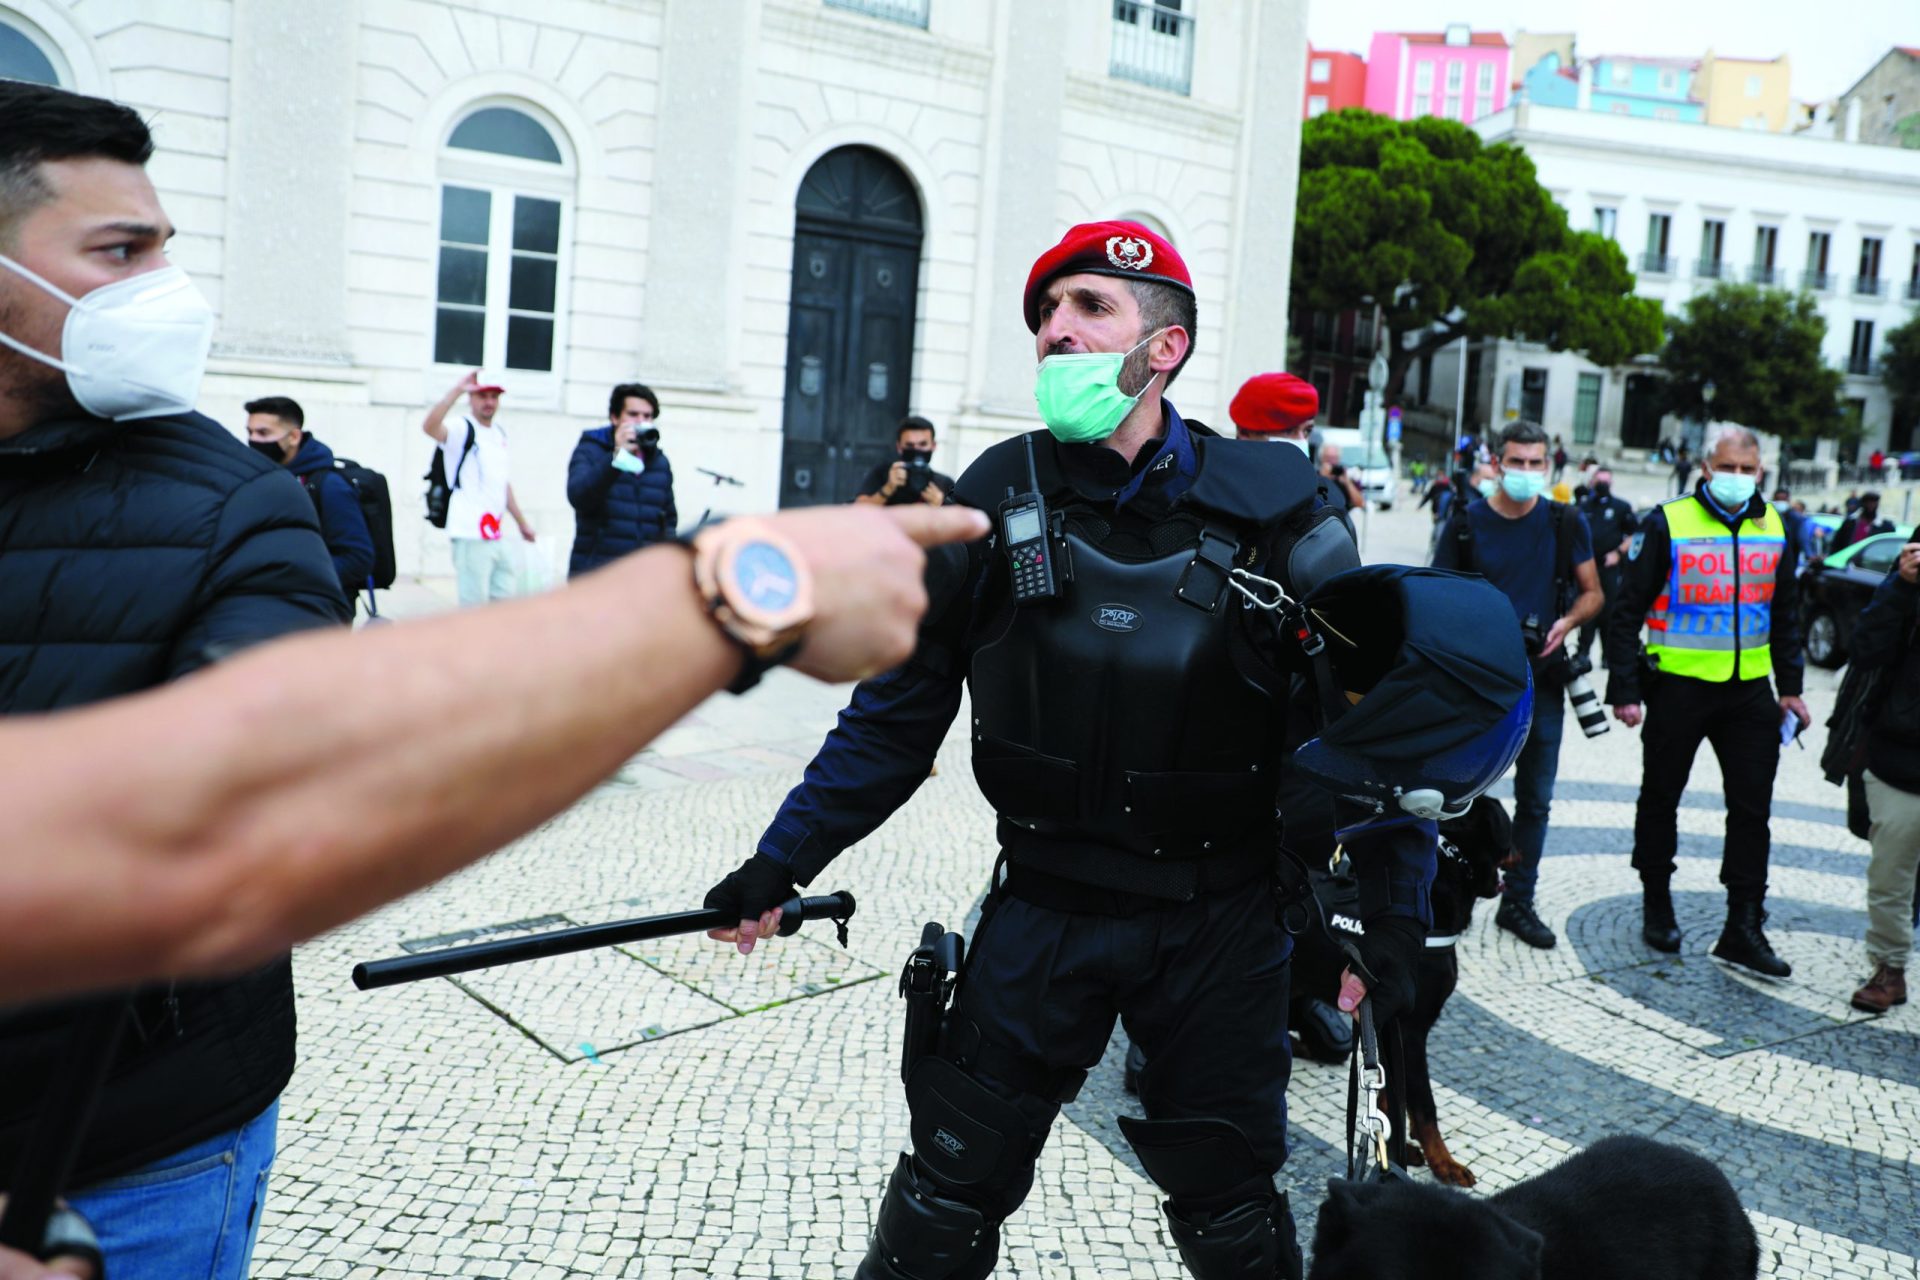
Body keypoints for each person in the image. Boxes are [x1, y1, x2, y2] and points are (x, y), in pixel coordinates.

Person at [699, 221, 1526, 1280]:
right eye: (1046, 313)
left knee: (1231, 1210)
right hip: (1043, 909)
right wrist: (781, 862)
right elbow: (895, 718)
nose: (1056, 330)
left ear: (1164, 345)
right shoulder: (988, 499)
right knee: (947, 1190)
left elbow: (1369, 740)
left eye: (1089, 307)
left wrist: (1387, 925)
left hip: (1222, 923)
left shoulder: (1283, 511)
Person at [0, 80, 351, 1280]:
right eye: (120, 250)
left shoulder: (239, 508)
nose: (167, 290)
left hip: (133, 1156)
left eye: (164, 248)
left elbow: (271, 799)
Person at [1605, 424, 1807, 975]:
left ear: (1761, 472)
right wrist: (1624, 690)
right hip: (1678, 687)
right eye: (1728, 468)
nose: (1738, 479)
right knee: (1661, 797)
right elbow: (1626, 612)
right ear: (1705, 466)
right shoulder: (1668, 521)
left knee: (1752, 811)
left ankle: (1743, 925)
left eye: (1748, 470)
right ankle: (1657, 901)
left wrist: (1791, 688)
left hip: (1749, 693)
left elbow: (1786, 614)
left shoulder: (1776, 526)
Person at [1433, 421, 1603, 950]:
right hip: (1477, 685)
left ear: (1548, 465)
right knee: (1454, 795)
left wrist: (1567, 622)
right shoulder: (1464, 523)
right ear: (1497, 462)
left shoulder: (1565, 521)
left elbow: (1593, 592)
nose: (1527, 472)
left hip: (1543, 681)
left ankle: (1518, 902)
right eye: (1517, 462)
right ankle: (1450, 891)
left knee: (1536, 801)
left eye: (1536, 463)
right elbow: (1435, 600)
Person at [1846, 540, 1920, 1013]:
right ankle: (1890, 969)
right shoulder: (1906, 587)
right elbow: (1865, 649)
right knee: (1891, 875)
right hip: (1902, 758)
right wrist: (1900, 584)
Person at [244, 395, 376, 609]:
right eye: (250, 432)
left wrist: (292, 580)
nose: (254, 440)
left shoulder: (329, 485)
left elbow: (357, 559)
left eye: (264, 433)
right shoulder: (261, 478)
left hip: (318, 613)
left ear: (294, 437)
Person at [422, 369, 535, 605]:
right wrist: (456, 390)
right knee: (473, 609)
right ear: (471, 399)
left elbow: (502, 483)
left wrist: (522, 523)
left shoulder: (498, 433)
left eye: (494, 397)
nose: (489, 402)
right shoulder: (462, 427)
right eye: (483, 396)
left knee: (502, 605)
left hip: (495, 533)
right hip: (469, 532)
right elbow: (430, 427)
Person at [566, 382, 677, 578]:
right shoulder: (591, 450)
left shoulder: (659, 462)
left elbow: (668, 520)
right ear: (615, 418)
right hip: (598, 574)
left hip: (643, 577)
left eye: (647, 416)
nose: (640, 422)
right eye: (633, 415)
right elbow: (579, 497)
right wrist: (616, 458)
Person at [1227, 371, 1352, 522]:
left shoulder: (1326, 503)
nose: (1301, 441)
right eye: (1288, 430)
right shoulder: (1219, 496)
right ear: (1245, 433)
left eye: (1307, 431)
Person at [1576, 468, 1639, 668]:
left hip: (1610, 567)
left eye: (1605, 481)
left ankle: (1607, 655)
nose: (1601, 484)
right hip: (1587, 567)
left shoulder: (1621, 507)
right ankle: (1583, 651)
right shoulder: (1583, 506)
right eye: (1599, 480)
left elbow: (1634, 535)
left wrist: (1618, 554)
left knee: (1608, 611)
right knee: (1586, 608)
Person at [855, 414, 953, 507]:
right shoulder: (883, 474)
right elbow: (859, 510)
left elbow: (961, 519)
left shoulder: (944, 483)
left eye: (923, 444)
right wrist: (888, 488)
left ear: (933, 446)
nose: (916, 450)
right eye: (910, 445)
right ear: (899, 447)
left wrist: (940, 504)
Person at [1317, 440, 1365, 510]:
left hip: (1342, 516)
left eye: (1334, 458)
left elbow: (1360, 503)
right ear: (1321, 458)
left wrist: (1347, 483)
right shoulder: (1315, 477)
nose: (1331, 462)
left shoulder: (1343, 476)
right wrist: (1324, 478)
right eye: (1328, 458)